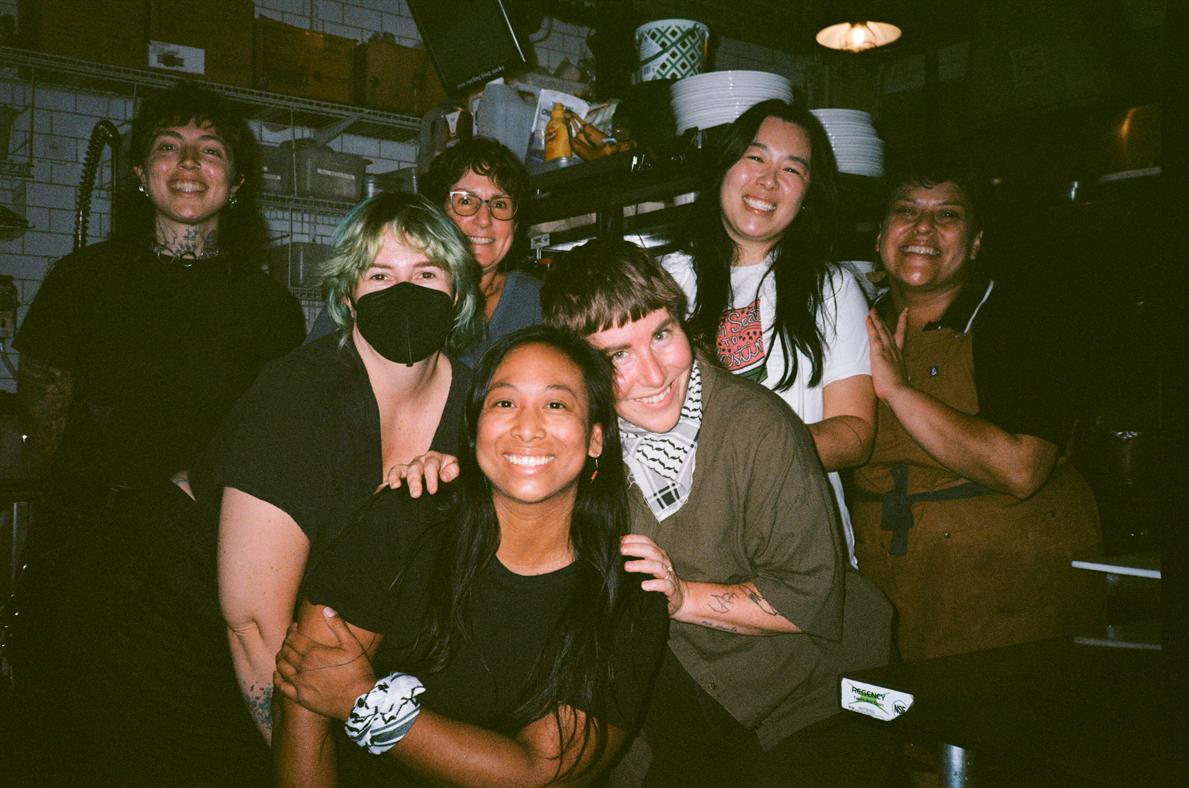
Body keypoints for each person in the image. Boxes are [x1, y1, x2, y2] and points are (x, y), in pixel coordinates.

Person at [9, 81, 305, 781]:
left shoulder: (266, 305)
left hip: (205, 551)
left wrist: (192, 503)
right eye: (168, 148)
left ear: (235, 184)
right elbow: (44, 393)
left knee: (194, 739)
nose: (188, 163)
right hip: (89, 540)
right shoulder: (83, 278)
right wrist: (105, 485)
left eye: (209, 151)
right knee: (68, 735)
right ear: (140, 175)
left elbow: (274, 426)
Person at [540, 240, 893, 786]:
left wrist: (682, 596)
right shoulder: (587, 443)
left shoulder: (757, 426)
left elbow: (808, 598)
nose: (655, 374)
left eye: (661, 334)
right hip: (685, 701)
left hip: (812, 695)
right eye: (617, 356)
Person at [272, 326, 669, 785]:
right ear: (476, 426)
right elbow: (302, 696)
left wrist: (366, 702)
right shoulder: (404, 515)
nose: (526, 427)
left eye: (556, 404)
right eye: (504, 403)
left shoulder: (630, 595)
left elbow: (543, 773)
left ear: (595, 438)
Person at [195, 190, 482, 748]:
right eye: (379, 275)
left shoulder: (481, 404)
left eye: (426, 272)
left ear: (456, 294)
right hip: (244, 672)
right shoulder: (297, 396)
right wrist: (302, 756)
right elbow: (253, 624)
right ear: (349, 296)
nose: (403, 291)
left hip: (384, 684)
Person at [852, 159, 1103, 662]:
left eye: (947, 215)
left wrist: (899, 392)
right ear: (881, 235)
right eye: (907, 210)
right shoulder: (844, 321)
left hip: (1009, 592)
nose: (923, 227)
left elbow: (1020, 467)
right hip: (885, 592)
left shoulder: (1022, 320)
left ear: (977, 243)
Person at [661, 99, 873, 567]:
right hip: (688, 537)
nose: (768, 181)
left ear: (807, 195)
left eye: (792, 170)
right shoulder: (667, 280)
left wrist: (743, 455)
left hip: (798, 535)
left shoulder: (833, 288)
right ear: (724, 167)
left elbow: (856, 434)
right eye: (755, 158)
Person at [306, 137, 542, 366]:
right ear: (437, 213)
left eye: (500, 204)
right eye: (466, 201)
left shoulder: (536, 302)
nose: (483, 220)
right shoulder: (381, 292)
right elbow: (308, 376)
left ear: (516, 223)